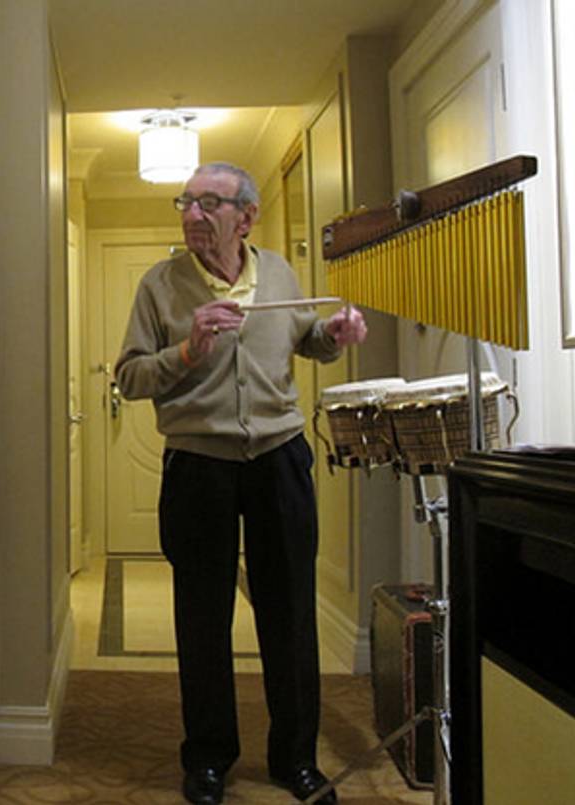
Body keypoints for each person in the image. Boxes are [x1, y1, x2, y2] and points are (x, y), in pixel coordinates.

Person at [114, 162, 366, 805]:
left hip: (280, 458)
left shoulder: (279, 272)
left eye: (209, 203)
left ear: (246, 216)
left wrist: (334, 336)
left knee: (290, 614)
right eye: (186, 202)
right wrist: (189, 350)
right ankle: (207, 761)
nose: (192, 214)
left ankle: (296, 759)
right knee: (202, 619)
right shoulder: (160, 285)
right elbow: (130, 378)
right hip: (198, 466)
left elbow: (305, 338)